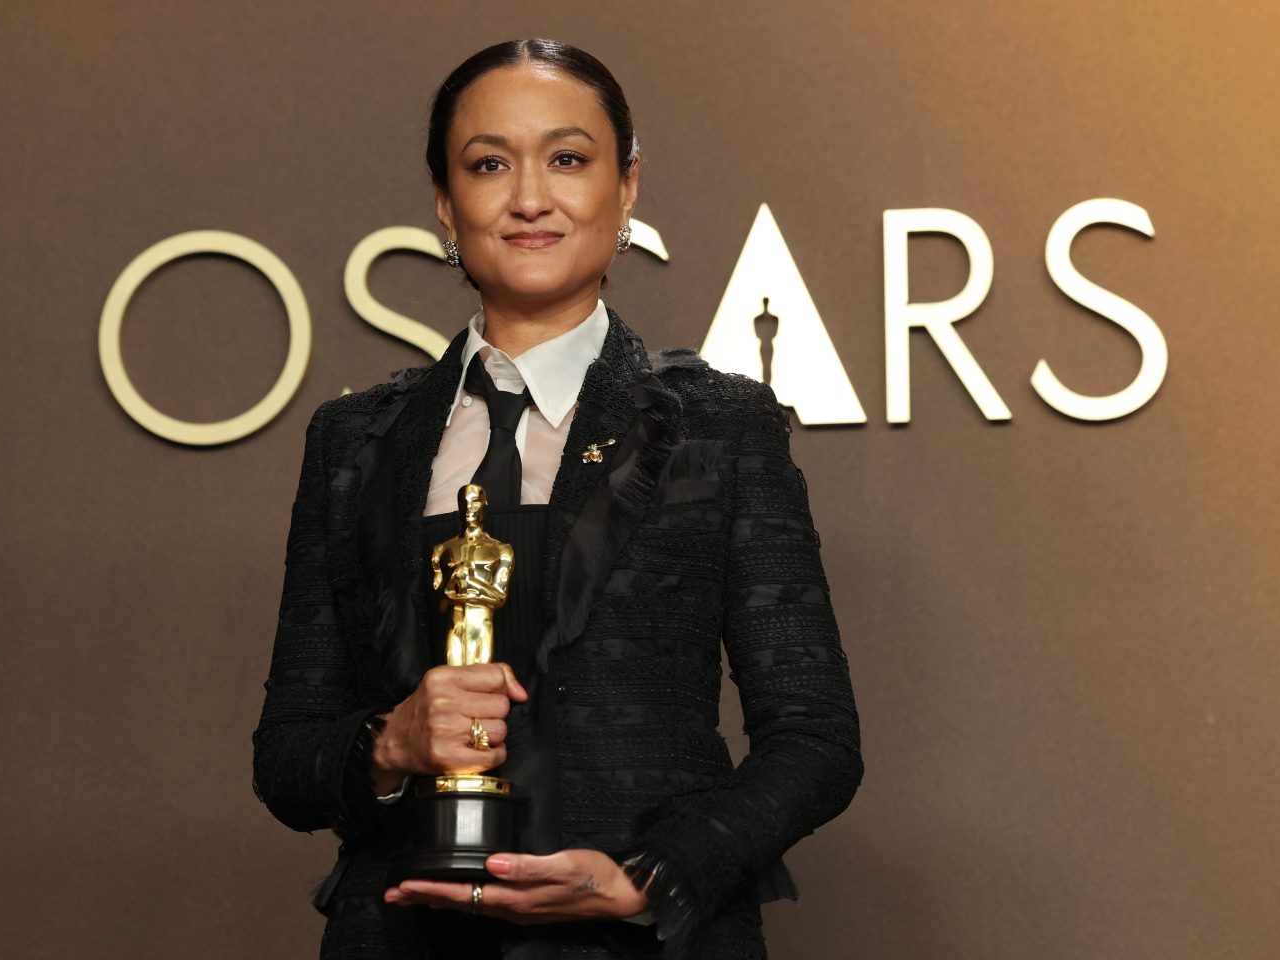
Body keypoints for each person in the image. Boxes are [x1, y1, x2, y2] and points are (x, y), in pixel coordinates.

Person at [251, 37, 863, 960]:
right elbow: (287, 758)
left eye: (568, 159)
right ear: (444, 204)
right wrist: (388, 744)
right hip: (402, 939)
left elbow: (816, 739)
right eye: (489, 163)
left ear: (626, 189)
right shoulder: (353, 441)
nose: (529, 197)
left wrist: (648, 878)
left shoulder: (721, 426)